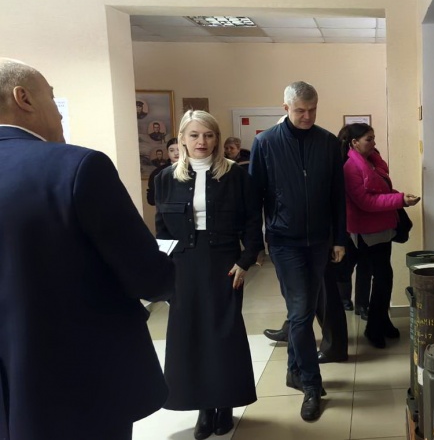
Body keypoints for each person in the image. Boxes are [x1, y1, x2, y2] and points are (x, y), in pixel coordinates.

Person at [0, 58, 175, 439]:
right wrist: (168, 273)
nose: (60, 113)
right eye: (52, 98)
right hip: (77, 380)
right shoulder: (77, 167)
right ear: (23, 98)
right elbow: (148, 276)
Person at [155, 110, 263, 439]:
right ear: (182, 139)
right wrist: (164, 272)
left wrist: (245, 260)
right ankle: (203, 406)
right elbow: (162, 229)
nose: (201, 141)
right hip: (183, 266)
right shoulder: (165, 178)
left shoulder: (235, 175)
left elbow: (252, 221)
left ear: (216, 138)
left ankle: (225, 403)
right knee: (190, 335)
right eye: (194, 135)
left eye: (208, 135)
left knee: (223, 333)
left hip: (224, 263)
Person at [249, 81, 347, 422]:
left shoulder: (328, 142)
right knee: (302, 312)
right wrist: (255, 244)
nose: (307, 116)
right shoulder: (265, 143)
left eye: (312, 110)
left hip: (319, 241)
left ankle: (294, 369)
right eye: (300, 110)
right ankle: (311, 384)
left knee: (302, 309)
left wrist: (339, 238)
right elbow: (255, 197)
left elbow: (337, 195)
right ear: (286, 108)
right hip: (284, 240)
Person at [340, 122, 420, 349]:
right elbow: (365, 202)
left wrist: (398, 196)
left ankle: (381, 322)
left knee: (384, 278)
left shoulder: (371, 161)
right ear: (354, 143)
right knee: (382, 278)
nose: (374, 143)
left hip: (382, 229)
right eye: (369, 139)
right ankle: (374, 327)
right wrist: (400, 200)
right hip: (367, 231)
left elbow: (381, 191)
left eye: (373, 138)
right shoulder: (350, 168)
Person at [146, 137, 179, 206]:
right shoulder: (158, 173)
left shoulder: (194, 169)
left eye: (179, 150)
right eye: (171, 150)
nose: (176, 153)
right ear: (168, 153)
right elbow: (151, 200)